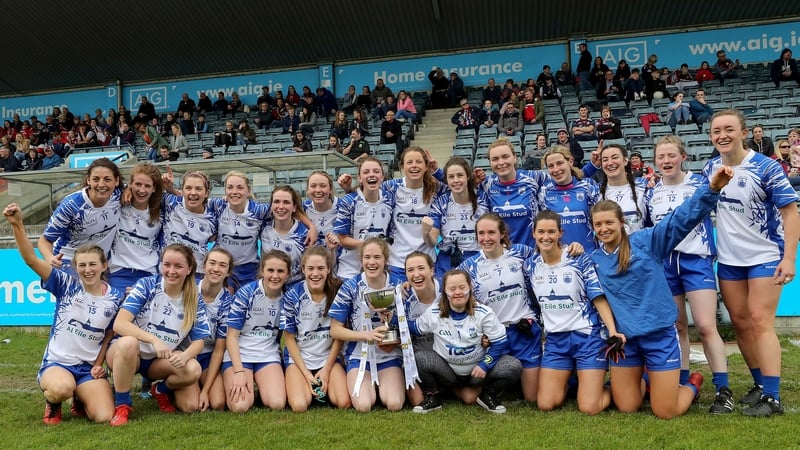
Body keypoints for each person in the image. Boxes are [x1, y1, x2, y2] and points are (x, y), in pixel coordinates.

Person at [589, 164, 733, 419]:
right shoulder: (594, 259)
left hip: (659, 336)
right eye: (598, 225)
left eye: (609, 222)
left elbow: (680, 219)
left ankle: (692, 383)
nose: (604, 229)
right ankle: (648, 378)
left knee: (666, 411)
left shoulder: (645, 241)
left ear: (622, 223)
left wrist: (711, 188)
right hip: (627, 341)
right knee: (627, 406)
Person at [702, 109, 800, 417]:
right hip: (729, 260)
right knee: (741, 322)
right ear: (710, 137)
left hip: (764, 256)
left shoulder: (766, 167)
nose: (723, 135)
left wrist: (789, 258)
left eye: (729, 129)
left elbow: (791, 213)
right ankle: (760, 384)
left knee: (760, 321)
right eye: (717, 131)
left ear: (744, 132)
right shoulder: (710, 167)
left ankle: (772, 398)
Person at [5, 203, 123, 425]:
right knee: (61, 389)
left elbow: (109, 335)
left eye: (92, 265)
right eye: (82, 265)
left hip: (88, 369)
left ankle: (80, 396)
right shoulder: (65, 284)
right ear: (75, 267)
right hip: (58, 364)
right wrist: (17, 224)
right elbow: (31, 259)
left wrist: (98, 364)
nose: (87, 270)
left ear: (104, 265)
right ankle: (54, 401)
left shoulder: (115, 297)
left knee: (104, 416)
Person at [645, 135, 734, 414]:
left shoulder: (700, 182)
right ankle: (682, 383)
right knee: (678, 326)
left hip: (696, 260)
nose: (667, 161)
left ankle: (723, 390)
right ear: (655, 162)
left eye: (672, 155)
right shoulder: (650, 191)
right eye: (661, 157)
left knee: (706, 326)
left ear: (683, 156)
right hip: (666, 264)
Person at [524, 210, 619, 415]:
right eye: (541, 231)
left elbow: (597, 297)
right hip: (556, 341)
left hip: (588, 337)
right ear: (533, 233)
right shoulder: (530, 265)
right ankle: (577, 382)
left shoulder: (577, 257)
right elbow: (533, 301)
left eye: (551, 231)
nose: (546, 237)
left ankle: (617, 387)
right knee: (546, 404)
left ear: (560, 233)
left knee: (589, 407)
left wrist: (612, 330)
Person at [106, 244, 211, 425]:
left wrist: (185, 356)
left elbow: (199, 342)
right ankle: (122, 404)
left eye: (178, 266)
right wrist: (153, 339)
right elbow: (119, 324)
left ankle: (160, 390)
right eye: (167, 264)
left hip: (157, 362)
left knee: (192, 372)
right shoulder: (147, 285)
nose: (171, 271)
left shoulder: (194, 298)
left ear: (189, 269)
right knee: (128, 343)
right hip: (128, 354)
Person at [409, 269, 522, 414]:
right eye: (452, 288)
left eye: (462, 287)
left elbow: (500, 341)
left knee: (513, 365)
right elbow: (414, 328)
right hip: (447, 371)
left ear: (470, 287)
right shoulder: (434, 312)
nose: (458, 292)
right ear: (444, 291)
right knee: (420, 358)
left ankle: (488, 395)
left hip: (477, 372)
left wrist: (485, 365)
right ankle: (433, 397)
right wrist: (392, 316)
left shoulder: (484, 312)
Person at [457, 214, 539, 403]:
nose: (486, 238)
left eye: (491, 232)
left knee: (533, 398)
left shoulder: (521, 252)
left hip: (525, 332)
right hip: (495, 337)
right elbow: (448, 290)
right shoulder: (470, 266)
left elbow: (550, 257)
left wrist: (572, 248)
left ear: (502, 234)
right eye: (481, 233)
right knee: (472, 395)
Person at [329, 238, 411, 412]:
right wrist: (365, 335)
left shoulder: (398, 286)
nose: (371, 262)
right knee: (364, 405)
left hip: (388, 356)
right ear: (361, 260)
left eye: (377, 257)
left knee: (394, 404)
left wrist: (391, 328)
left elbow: (408, 326)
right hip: (359, 356)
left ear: (386, 260)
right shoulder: (350, 287)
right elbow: (335, 330)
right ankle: (368, 386)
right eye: (367, 257)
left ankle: (386, 384)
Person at [282, 246, 351, 412]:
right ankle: (309, 386)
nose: (315, 274)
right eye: (310, 268)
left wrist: (326, 369)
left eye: (320, 268)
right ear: (303, 269)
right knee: (299, 405)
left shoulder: (338, 292)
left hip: (327, 359)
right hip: (300, 358)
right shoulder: (293, 295)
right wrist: (306, 374)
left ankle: (323, 386)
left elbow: (339, 336)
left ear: (328, 269)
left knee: (343, 402)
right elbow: (289, 339)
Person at [224, 250, 290, 412]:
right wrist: (238, 371)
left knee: (277, 403)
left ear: (288, 275)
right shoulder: (247, 293)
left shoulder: (288, 298)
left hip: (267, 355)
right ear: (262, 271)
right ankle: (243, 381)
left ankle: (260, 386)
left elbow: (282, 335)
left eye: (280, 271)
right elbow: (231, 337)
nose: (275, 276)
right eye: (270, 270)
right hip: (240, 355)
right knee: (240, 407)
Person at [38, 158, 122, 274]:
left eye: (107, 179)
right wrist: (49, 258)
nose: (101, 184)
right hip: (70, 261)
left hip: (100, 262)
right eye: (96, 179)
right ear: (88, 180)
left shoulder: (120, 194)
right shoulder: (71, 206)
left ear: (116, 181)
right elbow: (45, 240)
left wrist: (129, 191)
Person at [423, 157, 489, 277]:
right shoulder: (440, 203)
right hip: (448, 260)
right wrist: (426, 233)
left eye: (460, 175)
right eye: (451, 177)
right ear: (446, 180)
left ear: (468, 176)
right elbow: (432, 242)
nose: (456, 180)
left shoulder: (483, 199)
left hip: (478, 258)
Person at [108, 163, 165, 294]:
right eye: (138, 184)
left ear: (154, 188)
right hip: (118, 273)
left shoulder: (162, 211)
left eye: (147, 186)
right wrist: (125, 189)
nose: (142, 190)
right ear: (130, 184)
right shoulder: (117, 203)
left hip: (148, 275)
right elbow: (104, 186)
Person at [334, 157, 393, 279]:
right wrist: (370, 246)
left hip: (378, 267)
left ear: (382, 177)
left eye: (376, 171)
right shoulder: (348, 201)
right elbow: (342, 239)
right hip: (350, 269)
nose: (371, 175)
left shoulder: (390, 199)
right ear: (360, 178)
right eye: (366, 172)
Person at [194, 248, 235, 412]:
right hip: (184, 356)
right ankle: (165, 387)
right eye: (212, 263)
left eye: (222, 265)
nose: (216, 269)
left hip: (208, 358)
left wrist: (205, 391)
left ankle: (199, 386)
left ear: (228, 272)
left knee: (218, 403)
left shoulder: (230, 302)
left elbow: (219, 350)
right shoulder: (187, 290)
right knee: (189, 405)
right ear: (204, 266)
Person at [540, 146, 600, 251]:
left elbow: (600, 220)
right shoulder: (544, 192)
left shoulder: (588, 186)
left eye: (559, 163)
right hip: (560, 258)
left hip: (589, 254)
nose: (556, 169)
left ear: (570, 161)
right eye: (550, 166)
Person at [162, 170, 219, 280]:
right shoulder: (170, 203)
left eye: (198, 188)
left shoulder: (215, 217)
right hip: (170, 271)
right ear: (182, 191)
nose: (193, 193)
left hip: (197, 273)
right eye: (188, 188)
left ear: (206, 193)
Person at [401, 252, 439, 406]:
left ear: (432, 270)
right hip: (419, 360)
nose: (416, 274)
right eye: (410, 270)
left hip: (448, 359)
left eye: (421, 268)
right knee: (417, 401)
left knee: (469, 397)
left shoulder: (447, 291)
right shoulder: (403, 297)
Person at [259, 185, 310, 288]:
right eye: (276, 202)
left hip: (296, 287)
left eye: (286, 202)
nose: (281, 207)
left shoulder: (304, 233)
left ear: (294, 207)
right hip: (269, 286)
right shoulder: (263, 226)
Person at [594, 143, 649, 232]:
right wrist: (592, 166)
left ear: (625, 161)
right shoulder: (595, 191)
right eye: (605, 160)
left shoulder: (644, 186)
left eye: (615, 157)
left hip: (637, 245)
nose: (610, 163)